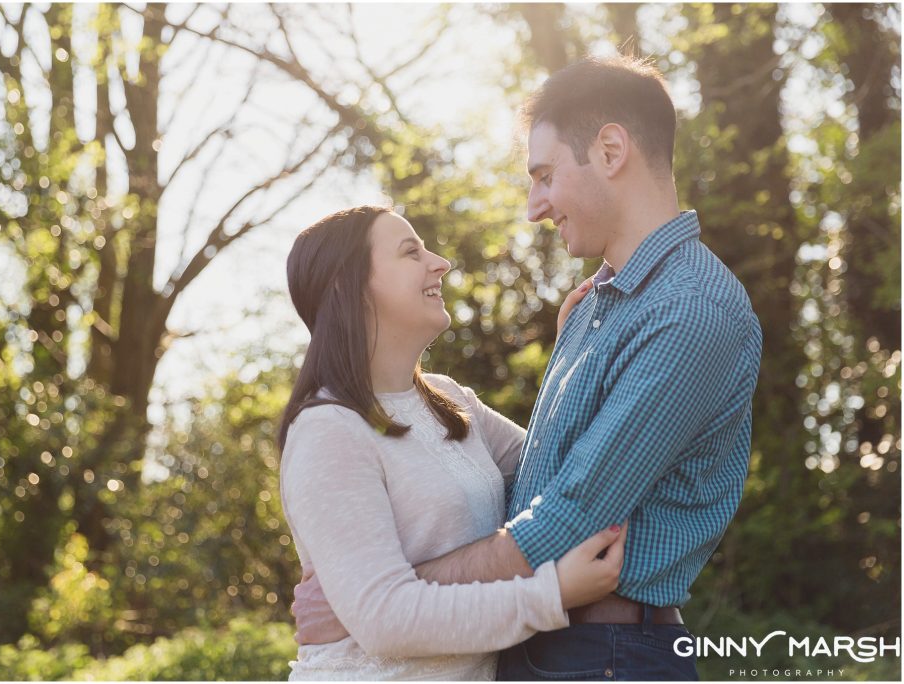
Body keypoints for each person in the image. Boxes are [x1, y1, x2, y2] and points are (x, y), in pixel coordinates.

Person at [293, 56, 763, 681]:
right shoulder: (600, 307)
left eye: (544, 176)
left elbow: (569, 515)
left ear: (611, 149)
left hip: (608, 656)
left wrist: (375, 598)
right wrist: (372, 593)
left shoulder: (690, 312)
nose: (534, 207)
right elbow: (533, 478)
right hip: (549, 646)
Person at [278, 205, 628, 680]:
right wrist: (552, 594)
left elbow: (556, 468)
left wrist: (571, 355)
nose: (439, 262)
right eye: (410, 252)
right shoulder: (328, 431)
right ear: (348, 284)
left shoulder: (449, 399)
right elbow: (387, 621)